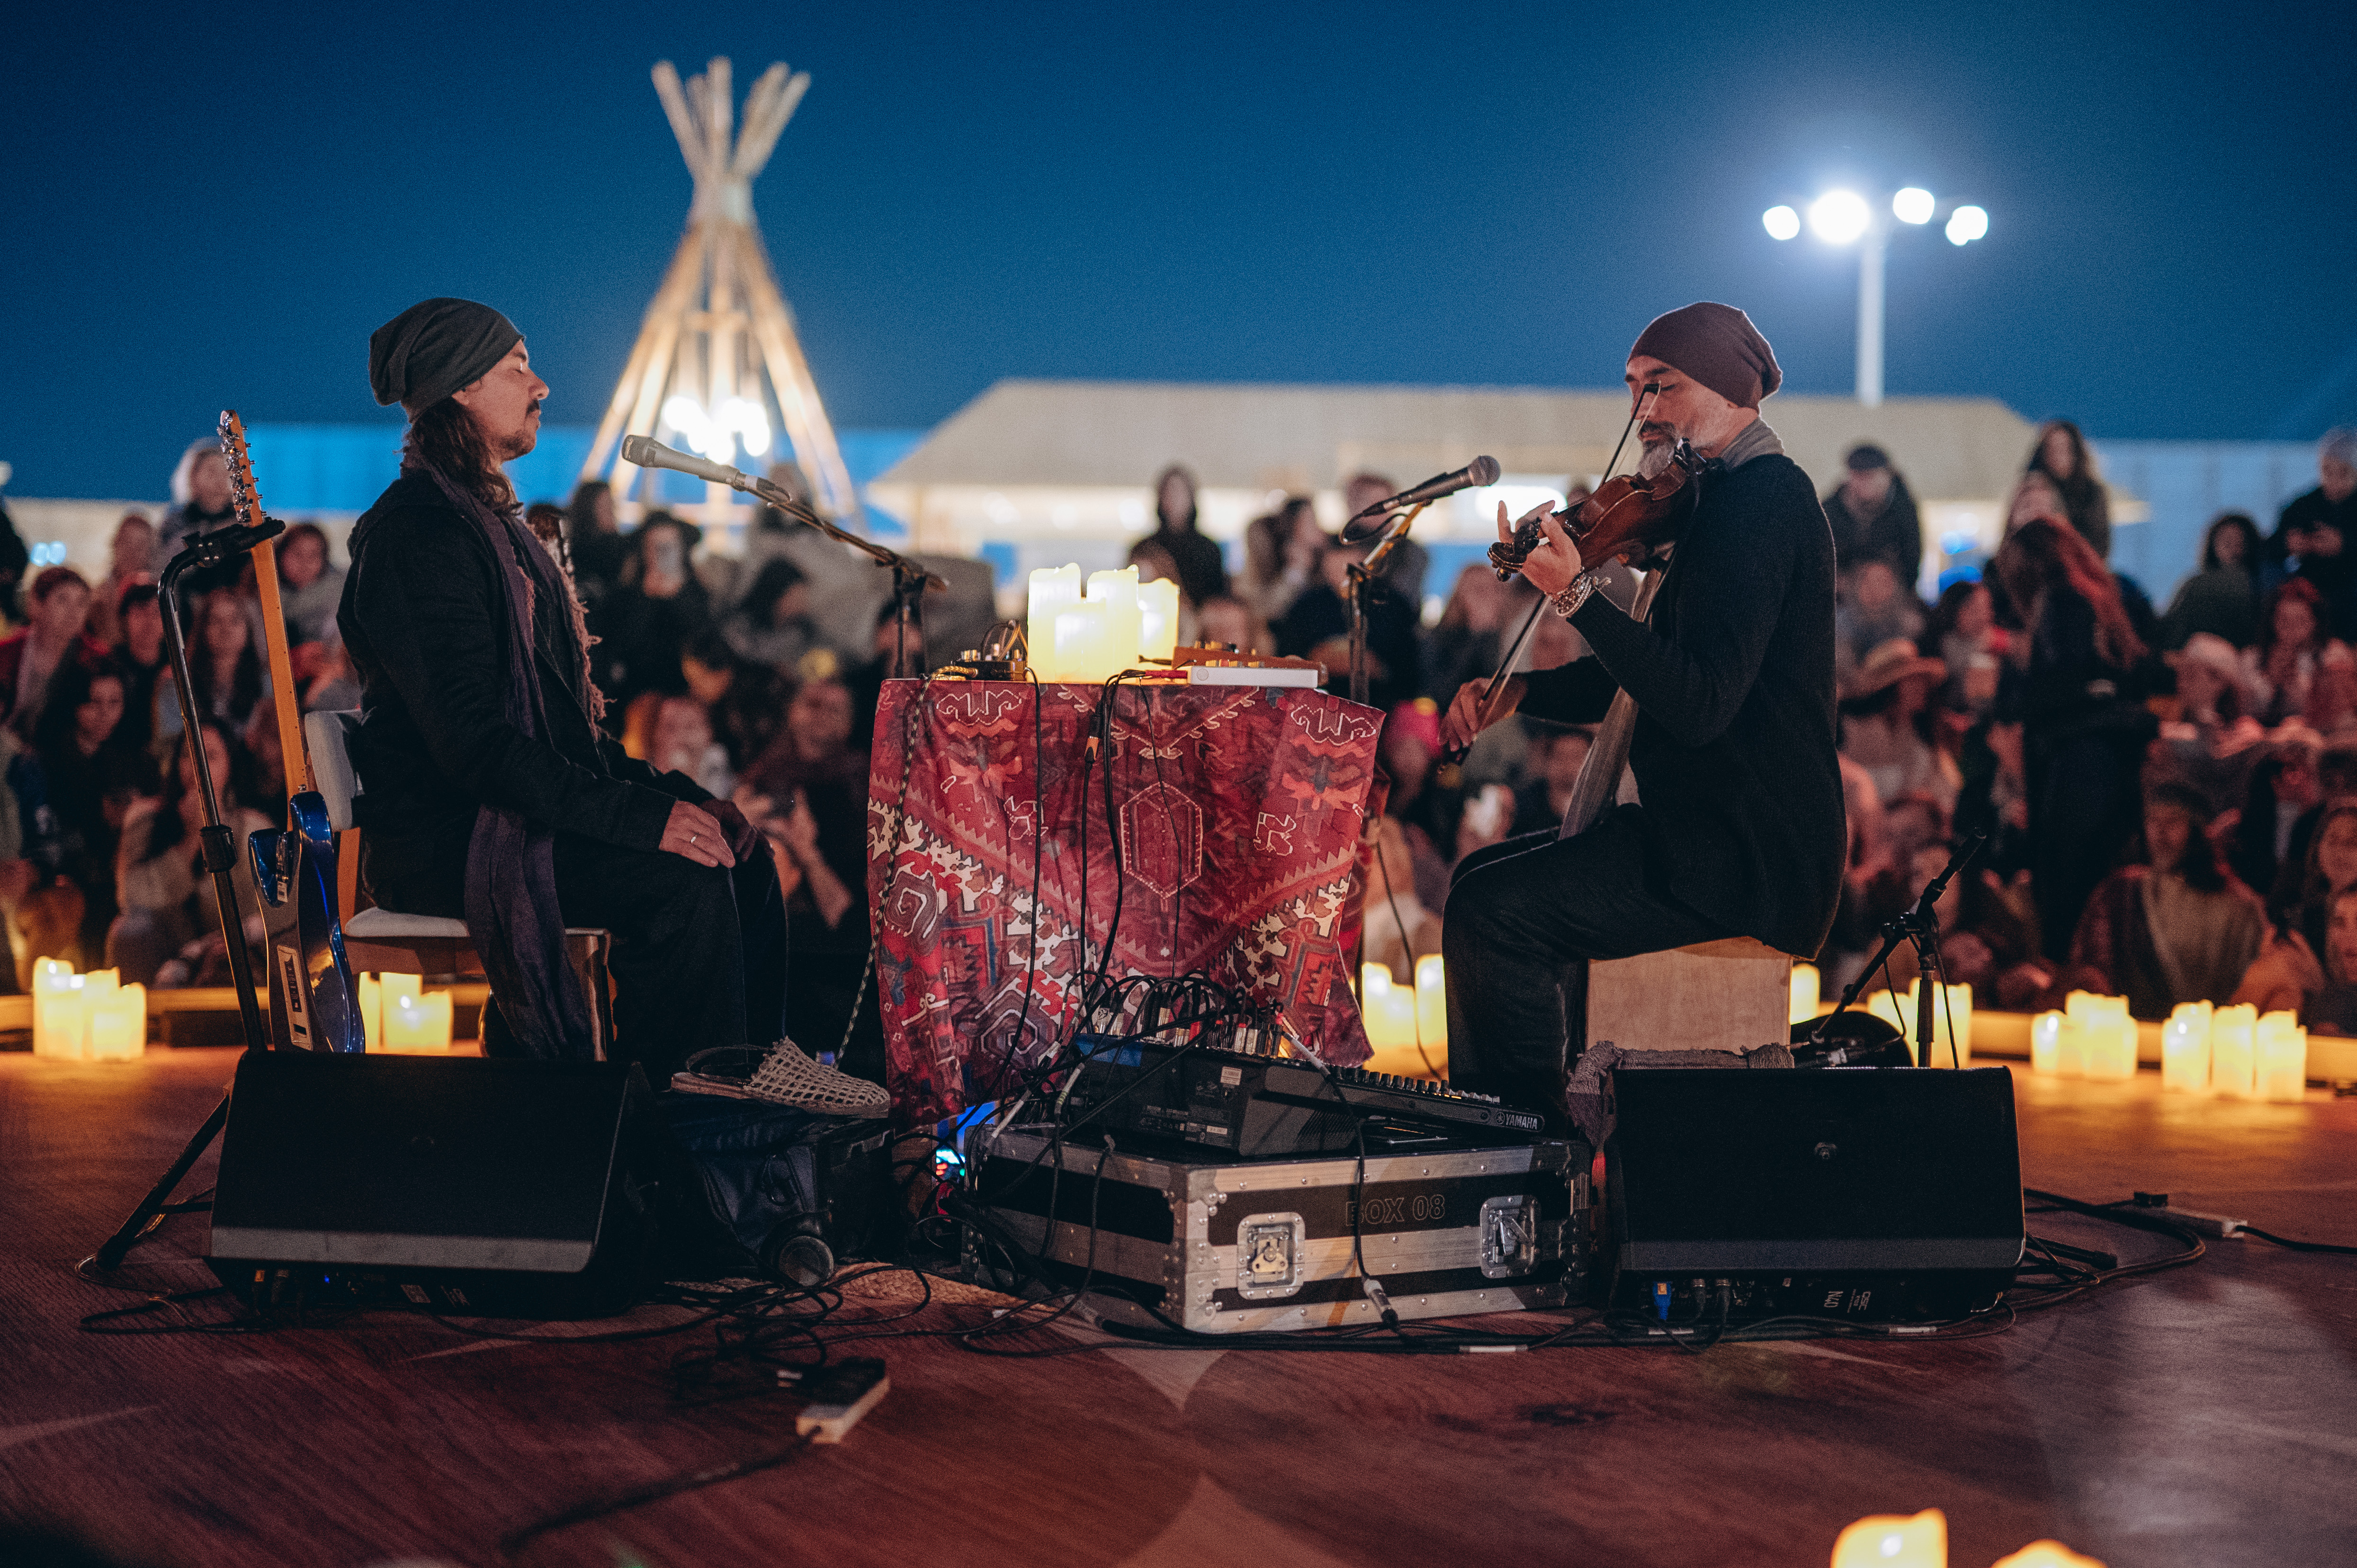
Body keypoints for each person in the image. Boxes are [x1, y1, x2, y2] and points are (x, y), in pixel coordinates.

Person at [344, 296, 794, 1079]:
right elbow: (477, 745)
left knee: (740, 857)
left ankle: (752, 1090)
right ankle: (670, 1137)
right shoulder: (416, 533)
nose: (541, 384)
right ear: (458, 387)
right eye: (516, 366)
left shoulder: (500, 534)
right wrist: (639, 822)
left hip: (511, 812)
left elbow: (568, 740)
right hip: (449, 834)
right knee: (678, 882)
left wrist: (676, 798)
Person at [1439, 302, 1842, 1115]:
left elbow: (1696, 704)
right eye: (1632, 387)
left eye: (1661, 386)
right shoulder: (1706, 504)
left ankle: (1522, 1144)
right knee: (1479, 877)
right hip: (1696, 828)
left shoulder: (1761, 505)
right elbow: (1650, 672)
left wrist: (1579, 595)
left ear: (1729, 391)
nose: (1640, 409)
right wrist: (1522, 692)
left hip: (1746, 850)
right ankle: (1506, 1115)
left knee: (1496, 912)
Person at [1990, 517, 2156, 961]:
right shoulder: (2098, 600)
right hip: (2107, 762)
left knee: (2065, 892)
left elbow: (2062, 688)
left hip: (2073, 767)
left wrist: (2020, 677)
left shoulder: (2060, 602)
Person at [740, 675, 875, 1078]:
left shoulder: (864, 784)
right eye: (812, 703)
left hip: (835, 963)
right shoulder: (761, 774)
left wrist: (807, 852)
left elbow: (850, 922)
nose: (819, 716)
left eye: (833, 709)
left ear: (850, 724)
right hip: (768, 949)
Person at [2052, 782, 2265, 1018]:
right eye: (2153, 820)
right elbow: (2089, 971)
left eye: (2173, 821)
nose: (2160, 832)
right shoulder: (2121, 891)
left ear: (2197, 830)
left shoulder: (2240, 907)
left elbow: (2252, 988)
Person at [108, 722, 271, 987]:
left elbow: (263, 913)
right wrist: (190, 840)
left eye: (212, 756)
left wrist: (197, 951)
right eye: (188, 755)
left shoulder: (254, 827)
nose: (198, 766)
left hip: (228, 944)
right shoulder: (145, 818)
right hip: (163, 940)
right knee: (131, 930)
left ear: (230, 766)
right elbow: (131, 897)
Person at [32, 654, 149, 965]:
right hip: (65, 877)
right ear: (75, 703)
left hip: (114, 879)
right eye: (94, 703)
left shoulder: (124, 758)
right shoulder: (51, 761)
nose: (105, 714)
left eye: (115, 702)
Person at [589, 512, 713, 716]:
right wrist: (646, 598)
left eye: (669, 546)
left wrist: (679, 597)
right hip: (633, 702)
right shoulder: (622, 596)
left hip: (684, 702)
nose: (662, 553)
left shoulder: (696, 593)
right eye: (655, 546)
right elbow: (617, 648)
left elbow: (705, 643)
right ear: (643, 550)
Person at [1838, 638, 1958, 816]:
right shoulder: (1851, 730)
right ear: (1891, 688)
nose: (1923, 688)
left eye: (1923, 682)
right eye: (1912, 681)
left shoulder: (1920, 735)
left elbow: (1947, 790)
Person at [0, 568, 96, 741]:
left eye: (81, 603)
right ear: (36, 604)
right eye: (62, 600)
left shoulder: (95, 659)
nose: (73, 612)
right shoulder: (6, 654)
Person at [2241, 577, 2346, 724]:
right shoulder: (2252, 657)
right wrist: (2270, 681)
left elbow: (2334, 710)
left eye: (2300, 621)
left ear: (2316, 623)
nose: (2291, 630)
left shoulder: (2332, 654)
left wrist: (2292, 681)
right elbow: (2242, 712)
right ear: (2272, 621)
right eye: (2283, 621)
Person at [2157, 513, 2263, 652]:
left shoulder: (2196, 585)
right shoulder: (2197, 584)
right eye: (2227, 542)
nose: (2233, 549)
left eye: (2240, 542)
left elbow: (2172, 633)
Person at [1821, 444, 1921, 587]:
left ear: (1887, 476)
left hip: (1891, 595)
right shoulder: (1830, 510)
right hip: (1841, 596)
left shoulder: (1903, 511)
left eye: (1870, 476)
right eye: (1857, 475)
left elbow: (1911, 559)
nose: (1864, 482)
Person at [158, 439, 244, 601]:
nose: (220, 481)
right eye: (212, 472)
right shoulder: (176, 522)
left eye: (225, 474)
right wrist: (216, 532)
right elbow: (167, 561)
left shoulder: (244, 521)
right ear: (193, 477)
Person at [2268, 427, 2357, 583]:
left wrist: (2344, 544)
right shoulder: (2304, 506)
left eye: (2343, 473)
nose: (2334, 481)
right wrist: (2289, 544)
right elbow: (2269, 550)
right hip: (2311, 591)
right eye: (2328, 472)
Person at [1138, 466, 1228, 610]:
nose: (1174, 498)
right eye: (1169, 491)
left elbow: (1217, 597)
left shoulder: (1209, 549)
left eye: (1180, 491)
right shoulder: (1144, 549)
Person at [2025, 419, 2111, 561]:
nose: (2057, 455)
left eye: (2063, 449)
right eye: (2051, 448)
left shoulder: (2092, 493)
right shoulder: (2033, 489)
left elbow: (2100, 547)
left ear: (2076, 452)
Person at [1834, 558, 1923, 689]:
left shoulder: (1905, 621)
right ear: (1858, 585)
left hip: (1891, 693)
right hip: (1850, 693)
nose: (1877, 589)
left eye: (1884, 582)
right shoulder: (1841, 621)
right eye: (1871, 582)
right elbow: (1849, 675)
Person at [1344, 472, 1430, 606]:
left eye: (1381, 503)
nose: (1378, 510)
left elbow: (1402, 601)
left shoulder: (1411, 552)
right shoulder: (1337, 546)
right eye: (1364, 501)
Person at [723, 557, 820, 675]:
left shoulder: (798, 634)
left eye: (803, 600)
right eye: (795, 598)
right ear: (775, 594)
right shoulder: (739, 626)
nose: (802, 607)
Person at [87, 513, 157, 649]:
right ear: (115, 544)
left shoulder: (159, 599)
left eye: (141, 545)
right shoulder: (96, 599)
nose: (133, 552)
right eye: (127, 542)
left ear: (150, 553)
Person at [275, 523, 344, 647]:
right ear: (281, 554)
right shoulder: (264, 592)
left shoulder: (340, 595)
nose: (305, 562)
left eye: (314, 555)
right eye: (297, 553)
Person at [565, 479, 627, 608]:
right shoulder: (573, 551)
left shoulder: (622, 546)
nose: (612, 511)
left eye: (612, 505)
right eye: (605, 506)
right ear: (589, 510)